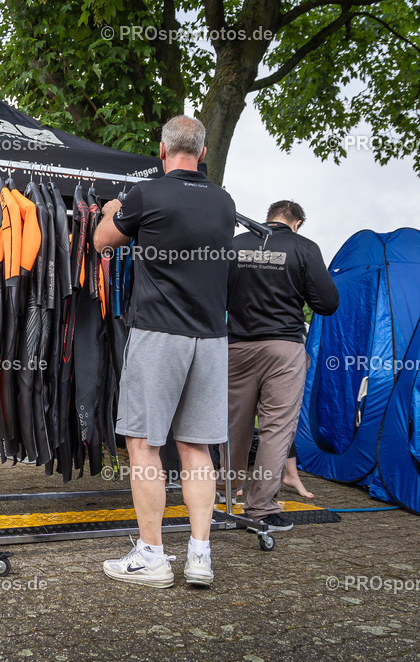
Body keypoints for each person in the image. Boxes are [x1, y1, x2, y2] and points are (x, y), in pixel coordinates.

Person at [94, 115, 235, 588]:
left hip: (159, 333)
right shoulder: (224, 201)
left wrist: (112, 209)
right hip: (212, 338)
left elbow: (102, 242)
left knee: (143, 443)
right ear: (204, 152)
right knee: (197, 446)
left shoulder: (146, 194)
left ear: (161, 149)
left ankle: (153, 555)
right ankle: (200, 556)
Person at [226, 200, 339, 529]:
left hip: (236, 346)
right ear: (297, 223)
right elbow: (327, 302)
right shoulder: (304, 247)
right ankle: (261, 508)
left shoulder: (235, 244)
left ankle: (224, 488)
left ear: (268, 217)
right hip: (283, 346)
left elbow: (215, 293)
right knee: (276, 428)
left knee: (234, 423)